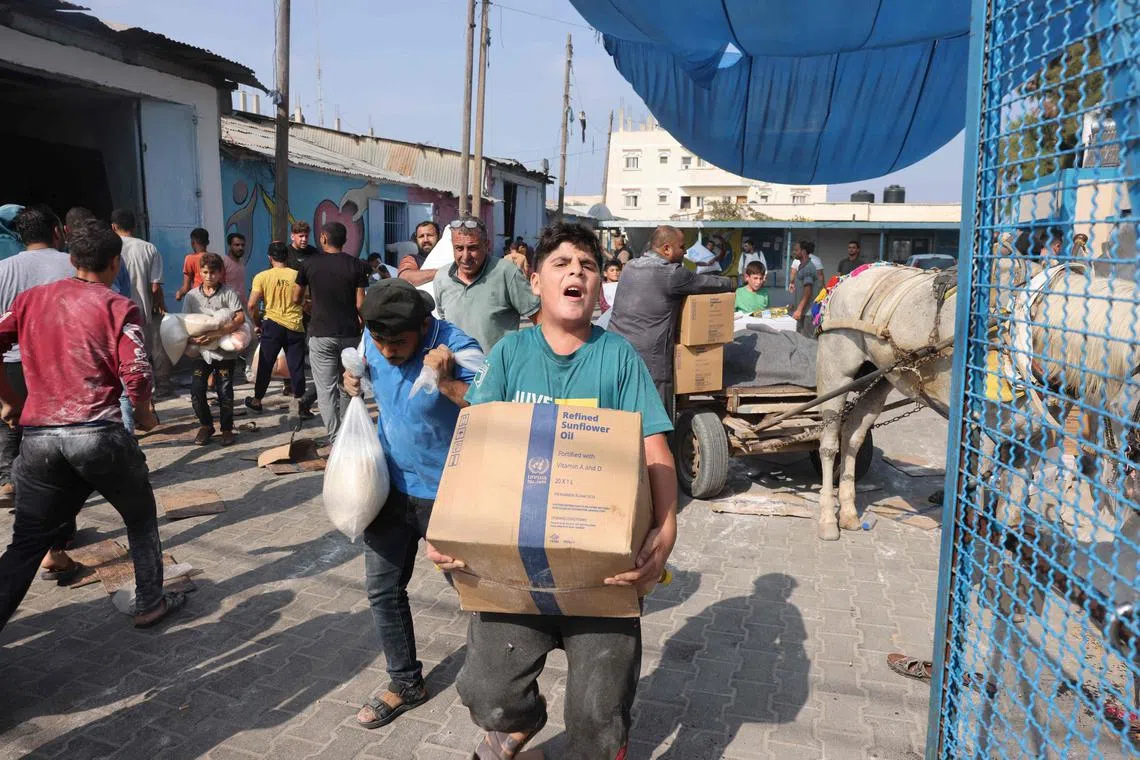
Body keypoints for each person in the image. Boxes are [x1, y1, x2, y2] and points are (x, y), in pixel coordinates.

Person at [428, 223, 677, 759]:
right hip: (514, 568)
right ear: (535, 281)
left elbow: (657, 452)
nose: (576, 273)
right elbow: (476, 441)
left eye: (587, 266)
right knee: (487, 696)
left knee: (598, 717)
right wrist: (447, 532)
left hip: (602, 574)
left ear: (599, 289)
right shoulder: (511, 354)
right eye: (561, 264)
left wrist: (667, 527)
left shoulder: (619, 358)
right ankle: (525, 719)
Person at [0, 218, 185, 631]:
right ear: (115, 263)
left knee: (26, 541)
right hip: (97, 434)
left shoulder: (30, 300)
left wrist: (9, 402)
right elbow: (136, 372)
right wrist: (143, 415)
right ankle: (151, 602)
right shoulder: (117, 306)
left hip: (40, 439)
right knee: (139, 517)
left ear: (71, 259)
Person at [341, 279, 481, 730]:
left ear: (424, 327)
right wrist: (352, 376)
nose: (386, 351)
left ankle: (496, 680)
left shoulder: (461, 347)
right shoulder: (374, 336)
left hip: (449, 493)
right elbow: (363, 362)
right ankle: (405, 683)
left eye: (397, 343)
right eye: (378, 340)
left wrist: (447, 380)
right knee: (382, 589)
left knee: (474, 593)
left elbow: (492, 404)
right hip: (391, 485)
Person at [608, 225, 734, 419]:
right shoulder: (672, 274)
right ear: (667, 249)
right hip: (652, 358)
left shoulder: (630, 266)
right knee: (659, 417)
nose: (685, 253)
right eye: (682, 247)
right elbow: (708, 284)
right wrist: (732, 283)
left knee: (623, 409)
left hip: (617, 349)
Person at [0, 206, 75, 505]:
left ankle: (8, 481)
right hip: (58, 364)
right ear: (57, 232)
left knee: (11, 424)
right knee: (54, 431)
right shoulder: (73, 265)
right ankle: (50, 490)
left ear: (20, 236)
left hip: (12, 362)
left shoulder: (3, 269)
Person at [293, 221, 369, 441]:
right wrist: (364, 327)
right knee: (348, 385)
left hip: (320, 334)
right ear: (344, 240)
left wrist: (310, 308)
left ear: (324, 238)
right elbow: (359, 304)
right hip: (350, 335)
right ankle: (348, 435)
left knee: (325, 390)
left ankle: (336, 438)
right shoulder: (357, 265)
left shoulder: (308, 264)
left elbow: (296, 298)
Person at [67, 207, 135, 432]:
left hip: (76, 350)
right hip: (111, 335)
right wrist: (144, 409)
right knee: (121, 391)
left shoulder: (40, 297)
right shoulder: (120, 305)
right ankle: (125, 437)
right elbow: (136, 370)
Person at [433, 216, 540, 353]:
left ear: (487, 245)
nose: (465, 256)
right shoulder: (442, 278)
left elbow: (540, 318)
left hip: (498, 371)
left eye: (472, 248)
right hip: (457, 371)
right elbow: (445, 322)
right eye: (459, 248)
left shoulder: (506, 272)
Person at [183, 253, 246, 446]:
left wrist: (218, 333)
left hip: (225, 353)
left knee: (225, 391)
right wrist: (194, 338)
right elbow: (184, 322)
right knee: (197, 389)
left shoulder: (229, 293)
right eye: (205, 272)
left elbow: (240, 318)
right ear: (199, 272)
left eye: (213, 272)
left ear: (220, 273)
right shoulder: (191, 296)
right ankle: (206, 426)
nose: (209, 276)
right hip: (202, 352)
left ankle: (226, 429)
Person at [111, 208, 171, 398]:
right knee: (152, 349)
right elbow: (155, 287)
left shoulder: (110, 248)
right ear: (135, 226)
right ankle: (160, 387)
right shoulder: (148, 248)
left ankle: (129, 392)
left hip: (117, 313)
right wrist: (160, 304)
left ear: (113, 227)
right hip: (143, 311)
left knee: (123, 354)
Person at [246, 242, 308, 413]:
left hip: (272, 325)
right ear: (287, 257)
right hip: (295, 325)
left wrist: (257, 324)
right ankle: (300, 405)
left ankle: (257, 400)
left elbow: (251, 305)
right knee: (296, 366)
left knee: (266, 364)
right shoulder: (298, 275)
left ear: (270, 257)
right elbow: (305, 302)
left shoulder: (261, 277)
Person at [397, 220, 441, 286]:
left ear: (439, 237)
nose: (425, 240)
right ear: (416, 239)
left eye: (429, 235)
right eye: (421, 236)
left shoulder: (448, 255)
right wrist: (441, 272)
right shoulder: (412, 259)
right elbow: (404, 277)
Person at [791, 240, 819, 338]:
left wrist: (799, 310)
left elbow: (808, 292)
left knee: (807, 342)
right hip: (803, 311)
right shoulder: (801, 266)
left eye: (796, 250)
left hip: (808, 313)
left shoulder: (808, 268)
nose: (794, 252)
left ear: (803, 251)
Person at [175, 227, 211, 302]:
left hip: (198, 299)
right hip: (214, 297)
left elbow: (186, 288)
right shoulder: (215, 258)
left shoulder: (190, 258)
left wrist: (179, 293)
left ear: (192, 242)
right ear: (208, 242)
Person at [223, 232, 249, 302]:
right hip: (228, 305)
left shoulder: (241, 262)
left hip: (242, 304)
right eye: (237, 245)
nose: (241, 248)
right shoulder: (223, 262)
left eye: (242, 245)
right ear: (229, 245)